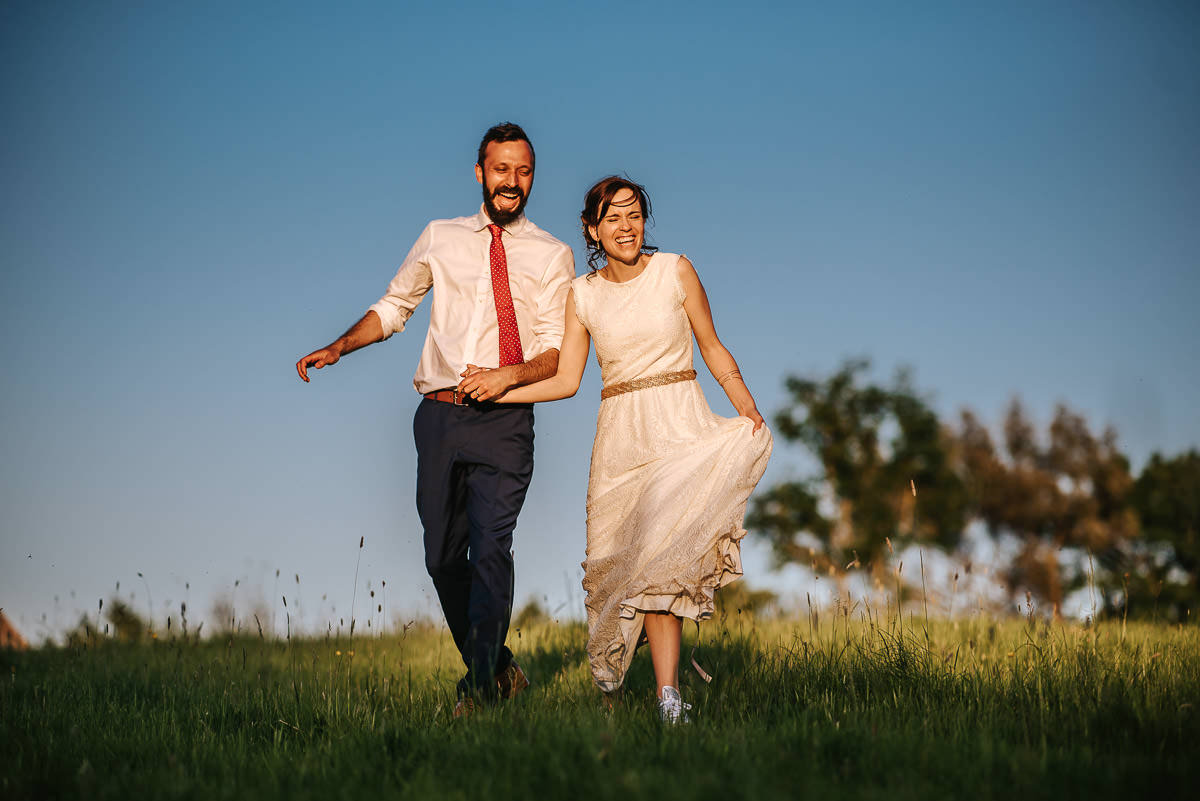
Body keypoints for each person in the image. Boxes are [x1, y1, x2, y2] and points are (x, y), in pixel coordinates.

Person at [461, 176, 772, 722]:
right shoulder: (582, 294)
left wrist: (747, 408)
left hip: (679, 426)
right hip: (620, 442)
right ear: (592, 229)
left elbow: (712, 346)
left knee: (659, 565)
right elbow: (566, 380)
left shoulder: (675, 270)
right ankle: (611, 701)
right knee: (618, 569)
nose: (626, 227)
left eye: (634, 215)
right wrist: (500, 389)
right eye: (612, 218)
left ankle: (668, 698)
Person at [296, 122, 574, 715]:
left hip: (506, 423)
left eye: (523, 171)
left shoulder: (553, 254)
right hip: (440, 419)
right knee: (442, 558)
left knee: (491, 550)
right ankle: (499, 668)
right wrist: (341, 345)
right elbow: (395, 305)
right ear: (480, 173)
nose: (512, 181)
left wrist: (507, 377)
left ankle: (478, 692)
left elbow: (554, 350)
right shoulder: (439, 236)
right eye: (501, 169)